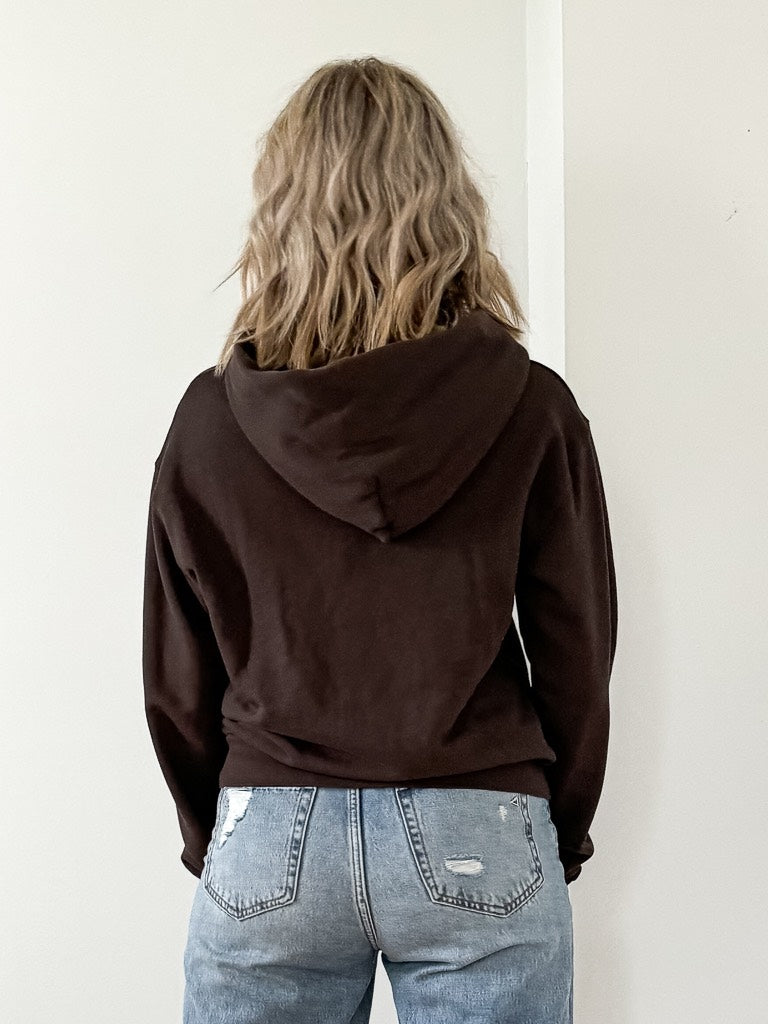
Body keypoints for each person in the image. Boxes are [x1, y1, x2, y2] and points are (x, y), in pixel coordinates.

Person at [142, 55, 618, 1024]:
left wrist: (217, 829)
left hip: (270, 826)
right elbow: (577, 647)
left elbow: (175, 669)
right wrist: (549, 826)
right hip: (481, 814)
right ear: (449, 205)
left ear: (280, 211)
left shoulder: (209, 422)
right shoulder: (532, 408)